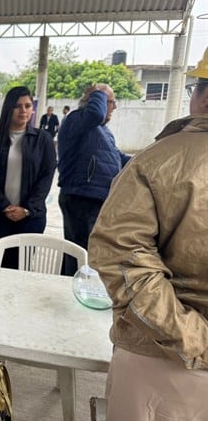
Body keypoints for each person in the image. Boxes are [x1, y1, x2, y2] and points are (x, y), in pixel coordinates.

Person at [87, 50, 208, 420]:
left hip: (165, 360)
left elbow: (121, 257)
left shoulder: (160, 157)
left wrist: (195, 338)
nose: (112, 108)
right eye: (109, 101)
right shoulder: (89, 125)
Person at [0, 87, 56, 269]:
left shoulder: (43, 140)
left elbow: (46, 177)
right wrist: (5, 206)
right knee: (4, 265)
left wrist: (27, 209)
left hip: (31, 217)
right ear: (8, 108)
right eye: (18, 106)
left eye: (28, 106)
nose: (24, 111)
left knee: (24, 267)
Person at [56, 83, 130, 276]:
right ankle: (70, 295)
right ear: (95, 101)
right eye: (110, 102)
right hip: (81, 198)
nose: (114, 107)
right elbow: (95, 114)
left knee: (87, 258)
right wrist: (98, 92)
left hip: (96, 200)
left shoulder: (104, 131)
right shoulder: (76, 120)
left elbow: (117, 157)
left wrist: (146, 159)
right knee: (80, 257)